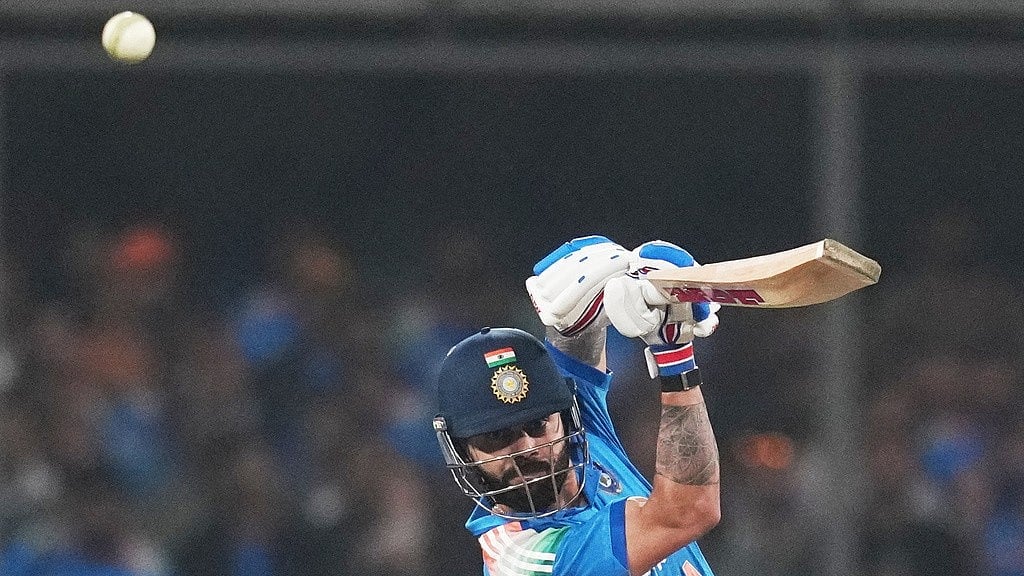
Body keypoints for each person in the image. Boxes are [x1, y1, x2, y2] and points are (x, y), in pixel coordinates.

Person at [433, 235, 722, 576]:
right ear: (464, 453)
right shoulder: (525, 560)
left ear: (567, 418)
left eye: (537, 425)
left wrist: (619, 275)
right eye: (497, 437)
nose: (526, 447)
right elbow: (690, 511)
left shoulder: (577, 442)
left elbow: (573, 339)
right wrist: (675, 353)